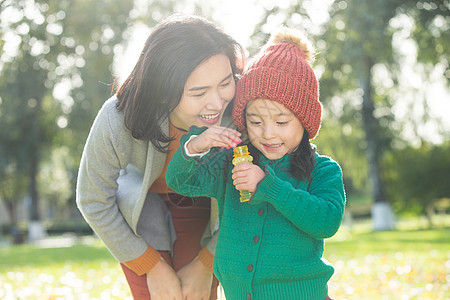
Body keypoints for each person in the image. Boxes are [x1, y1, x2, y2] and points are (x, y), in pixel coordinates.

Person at [166, 28, 346, 300]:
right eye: (256, 121)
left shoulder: (323, 170)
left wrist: (268, 186)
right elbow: (180, 182)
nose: (268, 133)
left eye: (282, 122)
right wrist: (194, 146)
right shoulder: (233, 162)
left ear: (305, 120)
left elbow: (326, 222)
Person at [76, 14, 244, 300]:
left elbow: (247, 201)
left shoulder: (239, 112)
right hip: (142, 208)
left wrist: (206, 264)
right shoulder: (117, 119)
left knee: (197, 292)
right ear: (163, 93)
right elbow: (92, 199)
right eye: (199, 92)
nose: (216, 103)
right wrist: (151, 266)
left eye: (225, 82)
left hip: (201, 204)